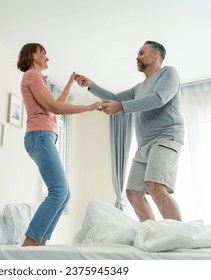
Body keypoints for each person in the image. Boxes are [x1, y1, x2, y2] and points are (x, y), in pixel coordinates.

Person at [75, 41, 184, 222]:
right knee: (133, 193)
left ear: (155, 54)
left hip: (166, 138)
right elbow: (116, 99)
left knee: (155, 185)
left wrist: (122, 107)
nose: (137, 56)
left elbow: (159, 98)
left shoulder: (168, 73)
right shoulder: (139, 88)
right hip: (144, 146)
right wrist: (91, 85)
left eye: (142, 52)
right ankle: (153, 233)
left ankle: (180, 236)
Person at [17, 43, 104, 246]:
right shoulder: (32, 75)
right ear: (32, 56)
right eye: (43, 53)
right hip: (40, 135)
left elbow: (54, 108)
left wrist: (69, 84)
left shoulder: (37, 78)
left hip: (43, 136)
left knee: (64, 194)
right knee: (59, 191)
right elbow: (55, 106)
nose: (47, 57)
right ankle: (28, 247)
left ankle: (40, 246)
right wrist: (89, 107)